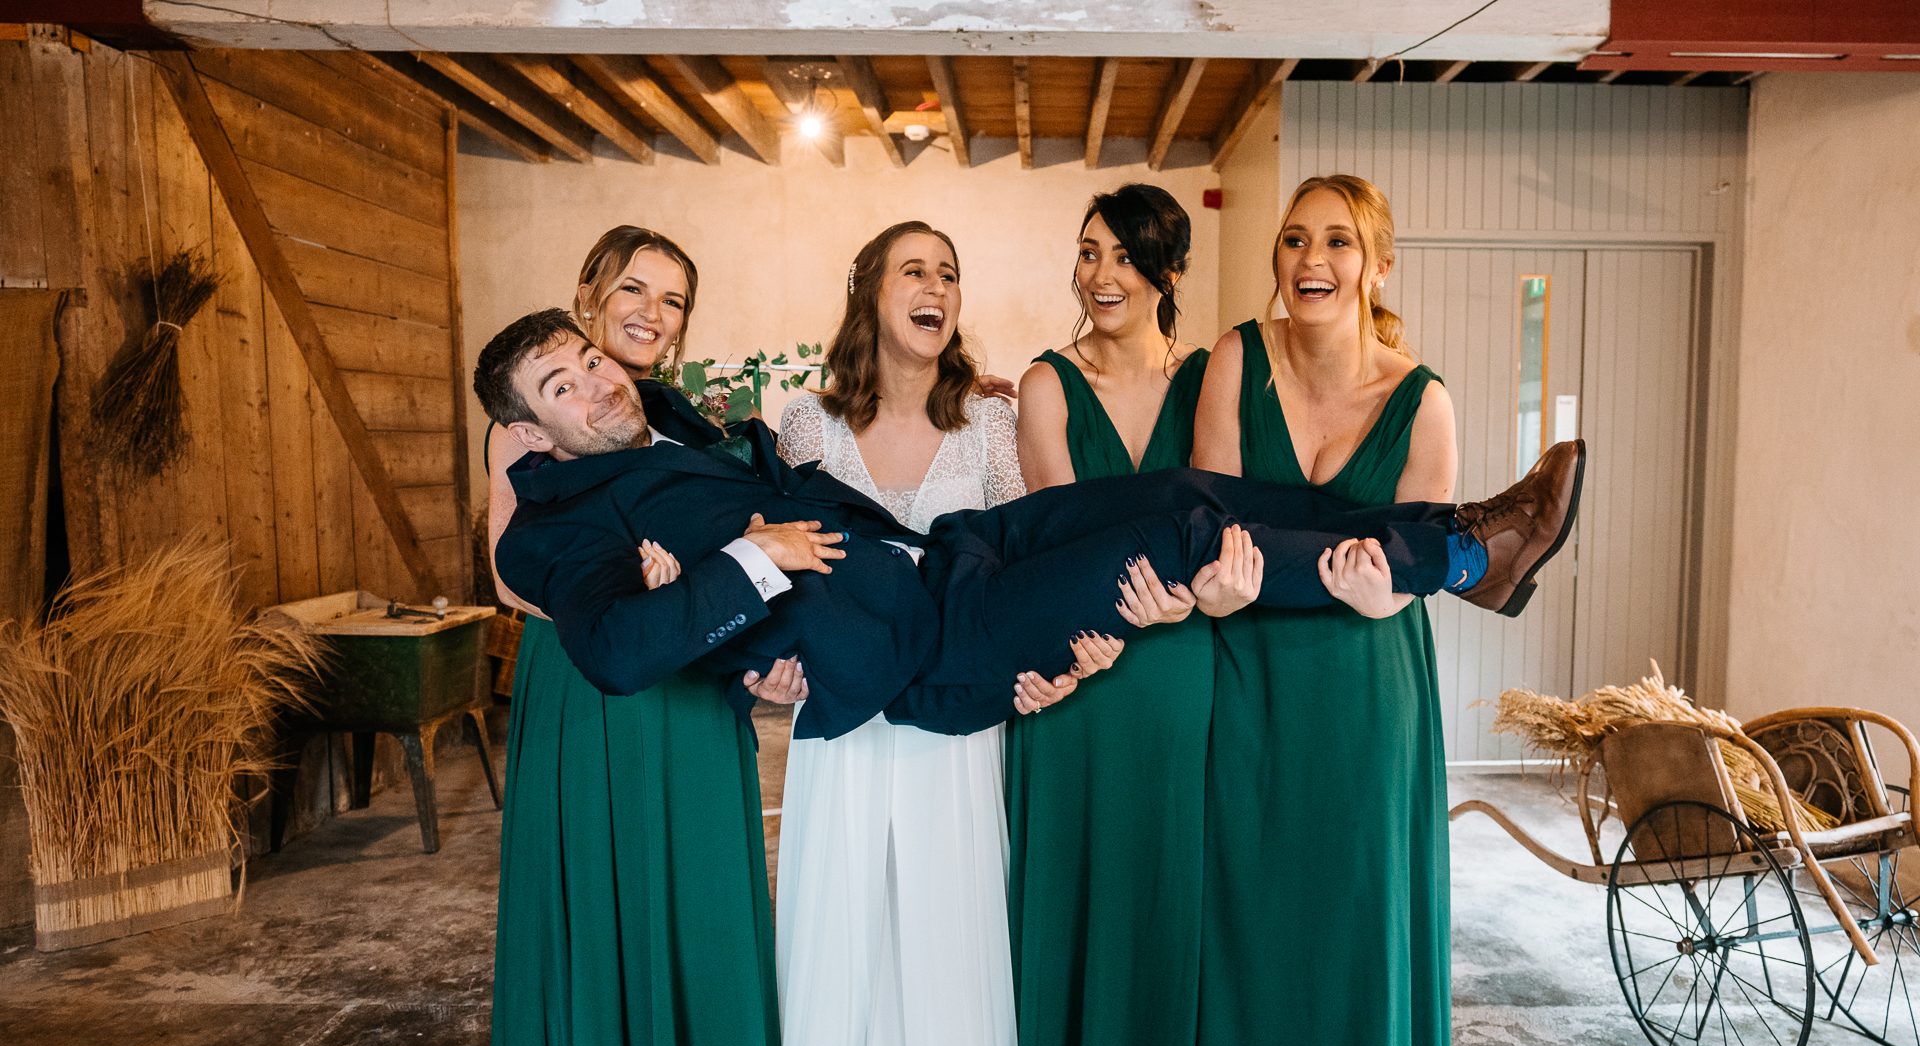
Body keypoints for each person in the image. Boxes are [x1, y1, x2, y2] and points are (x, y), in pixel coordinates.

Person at [482, 307, 1583, 741]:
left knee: (1179, 492)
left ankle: (1450, 525)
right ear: (527, 431)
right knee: (1181, 548)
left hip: (949, 552)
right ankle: (1466, 552)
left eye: (588, 360)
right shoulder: (556, 523)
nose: (596, 383)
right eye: (561, 386)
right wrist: (748, 562)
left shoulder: (678, 424)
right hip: (928, 648)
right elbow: (620, 652)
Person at [770, 220, 1116, 1046]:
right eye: (913, 269)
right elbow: (784, 563)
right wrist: (773, 666)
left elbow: (1020, 560)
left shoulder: (989, 425)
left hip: (956, 707)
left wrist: (1054, 664)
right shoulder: (807, 424)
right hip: (846, 702)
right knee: (846, 894)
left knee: (943, 890)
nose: (936, 286)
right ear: (870, 290)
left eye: (950, 273)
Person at [484, 228, 789, 1046]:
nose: (652, 313)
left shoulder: (673, 416)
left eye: (674, 299)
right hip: (593, 687)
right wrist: (624, 581)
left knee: (696, 904)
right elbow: (510, 577)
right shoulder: (535, 415)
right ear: (589, 298)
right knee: (592, 913)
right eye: (633, 291)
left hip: (691, 686)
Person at [1179, 174, 1466, 1046]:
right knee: (1243, 894)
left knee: (1352, 907)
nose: (1312, 257)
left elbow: (1422, 559)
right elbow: (1206, 522)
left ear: (1376, 264)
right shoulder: (1233, 363)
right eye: (1296, 238)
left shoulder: (1423, 396)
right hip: (1251, 661)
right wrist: (1211, 584)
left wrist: (1399, 581)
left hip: (1365, 676)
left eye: (1338, 241)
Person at [1006, 185, 1213, 1046]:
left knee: (1171, 886)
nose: (1100, 276)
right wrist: (1117, 621)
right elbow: (1058, 530)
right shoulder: (1046, 382)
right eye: (1088, 254)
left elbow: (1223, 520)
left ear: (1164, 269)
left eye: (1123, 257)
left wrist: (1178, 609)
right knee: (1072, 880)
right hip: (1080, 660)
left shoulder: (1211, 377)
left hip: (1179, 662)